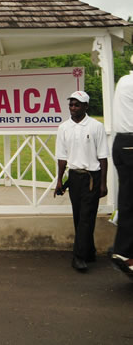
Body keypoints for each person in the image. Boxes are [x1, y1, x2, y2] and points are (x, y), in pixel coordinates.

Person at [55, 91, 109, 272]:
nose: (73, 108)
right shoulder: (64, 128)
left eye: (77, 105)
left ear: (86, 106)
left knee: (86, 217)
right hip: (74, 178)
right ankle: (89, 251)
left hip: (91, 178)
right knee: (79, 217)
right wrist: (59, 181)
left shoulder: (96, 126)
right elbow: (62, 157)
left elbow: (102, 157)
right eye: (71, 104)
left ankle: (78, 257)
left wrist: (103, 183)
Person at [111, 67, 133, 276]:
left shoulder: (124, 81)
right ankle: (125, 252)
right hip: (131, 142)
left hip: (121, 143)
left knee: (128, 199)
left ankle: (125, 251)